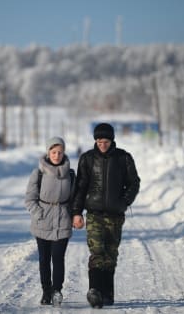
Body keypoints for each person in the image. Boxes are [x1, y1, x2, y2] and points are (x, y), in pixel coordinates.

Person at [72, 123, 140, 308]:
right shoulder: (87, 159)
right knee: (97, 251)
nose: (102, 144)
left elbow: (134, 182)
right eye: (99, 141)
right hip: (94, 214)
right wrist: (77, 212)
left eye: (106, 141)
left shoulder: (123, 158)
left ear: (112, 140)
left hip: (115, 215)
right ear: (95, 140)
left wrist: (124, 202)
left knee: (110, 254)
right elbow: (80, 187)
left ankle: (107, 294)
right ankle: (95, 291)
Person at [25, 136, 75, 307]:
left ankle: (57, 291)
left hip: (63, 220)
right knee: (44, 259)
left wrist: (75, 214)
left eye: (60, 152)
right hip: (43, 221)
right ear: (48, 152)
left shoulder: (70, 174)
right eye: (53, 152)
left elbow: (76, 199)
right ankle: (46, 291)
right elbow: (30, 199)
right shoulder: (38, 173)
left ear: (64, 153)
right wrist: (38, 213)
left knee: (58, 258)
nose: (56, 155)